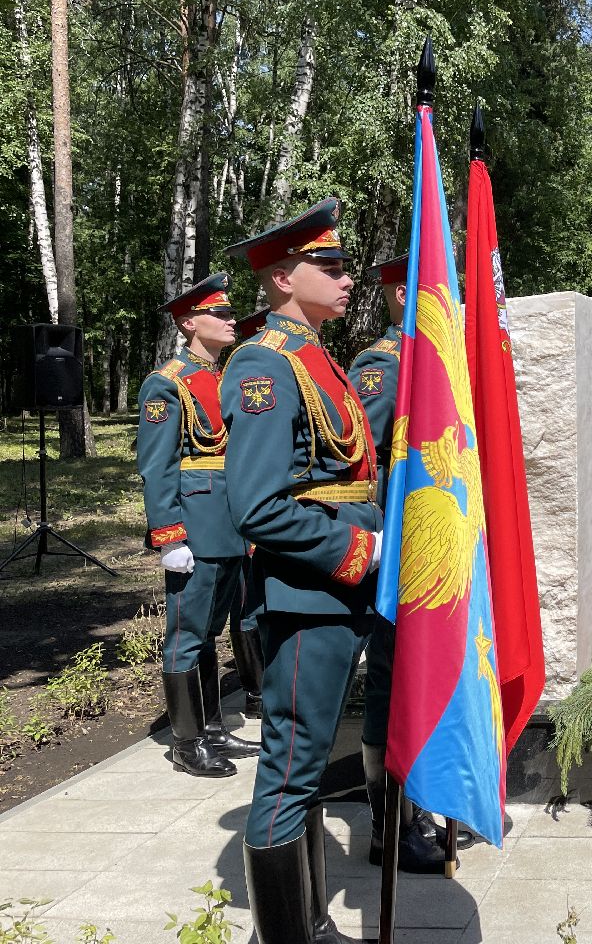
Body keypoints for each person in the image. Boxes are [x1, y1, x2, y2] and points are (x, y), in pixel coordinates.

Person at [221, 198, 382, 944]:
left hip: (338, 593)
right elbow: (258, 508)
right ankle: (285, 934)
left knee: (310, 760)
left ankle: (310, 920)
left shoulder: (322, 359)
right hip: (306, 594)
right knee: (289, 767)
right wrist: (361, 552)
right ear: (283, 277)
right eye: (332, 266)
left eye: (345, 266)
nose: (347, 278)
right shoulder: (263, 364)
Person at [345, 254, 449, 875]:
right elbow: (359, 466)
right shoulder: (384, 366)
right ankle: (389, 824)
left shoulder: (430, 362)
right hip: (397, 551)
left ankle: (414, 803)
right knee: (390, 684)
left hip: (432, 547)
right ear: (403, 293)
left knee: (421, 676)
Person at [138, 273, 260, 778]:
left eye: (231, 313)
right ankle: (187, 742)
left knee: (210, 632)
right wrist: (169, 536)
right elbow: (157, 464)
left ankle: (210, 727)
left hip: (230, 526)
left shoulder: (225, 376)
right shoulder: (166, 382)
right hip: (196, 526)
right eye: (221, 313)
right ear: (189, 322)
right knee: (187, 634)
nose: (231, 320)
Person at [226, 305, 272, 721]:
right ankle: (254, 691)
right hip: (234, 511)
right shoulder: (242, 378)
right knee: (242, 606)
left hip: (262, 503)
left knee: (254, 605)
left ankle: (261, 690)